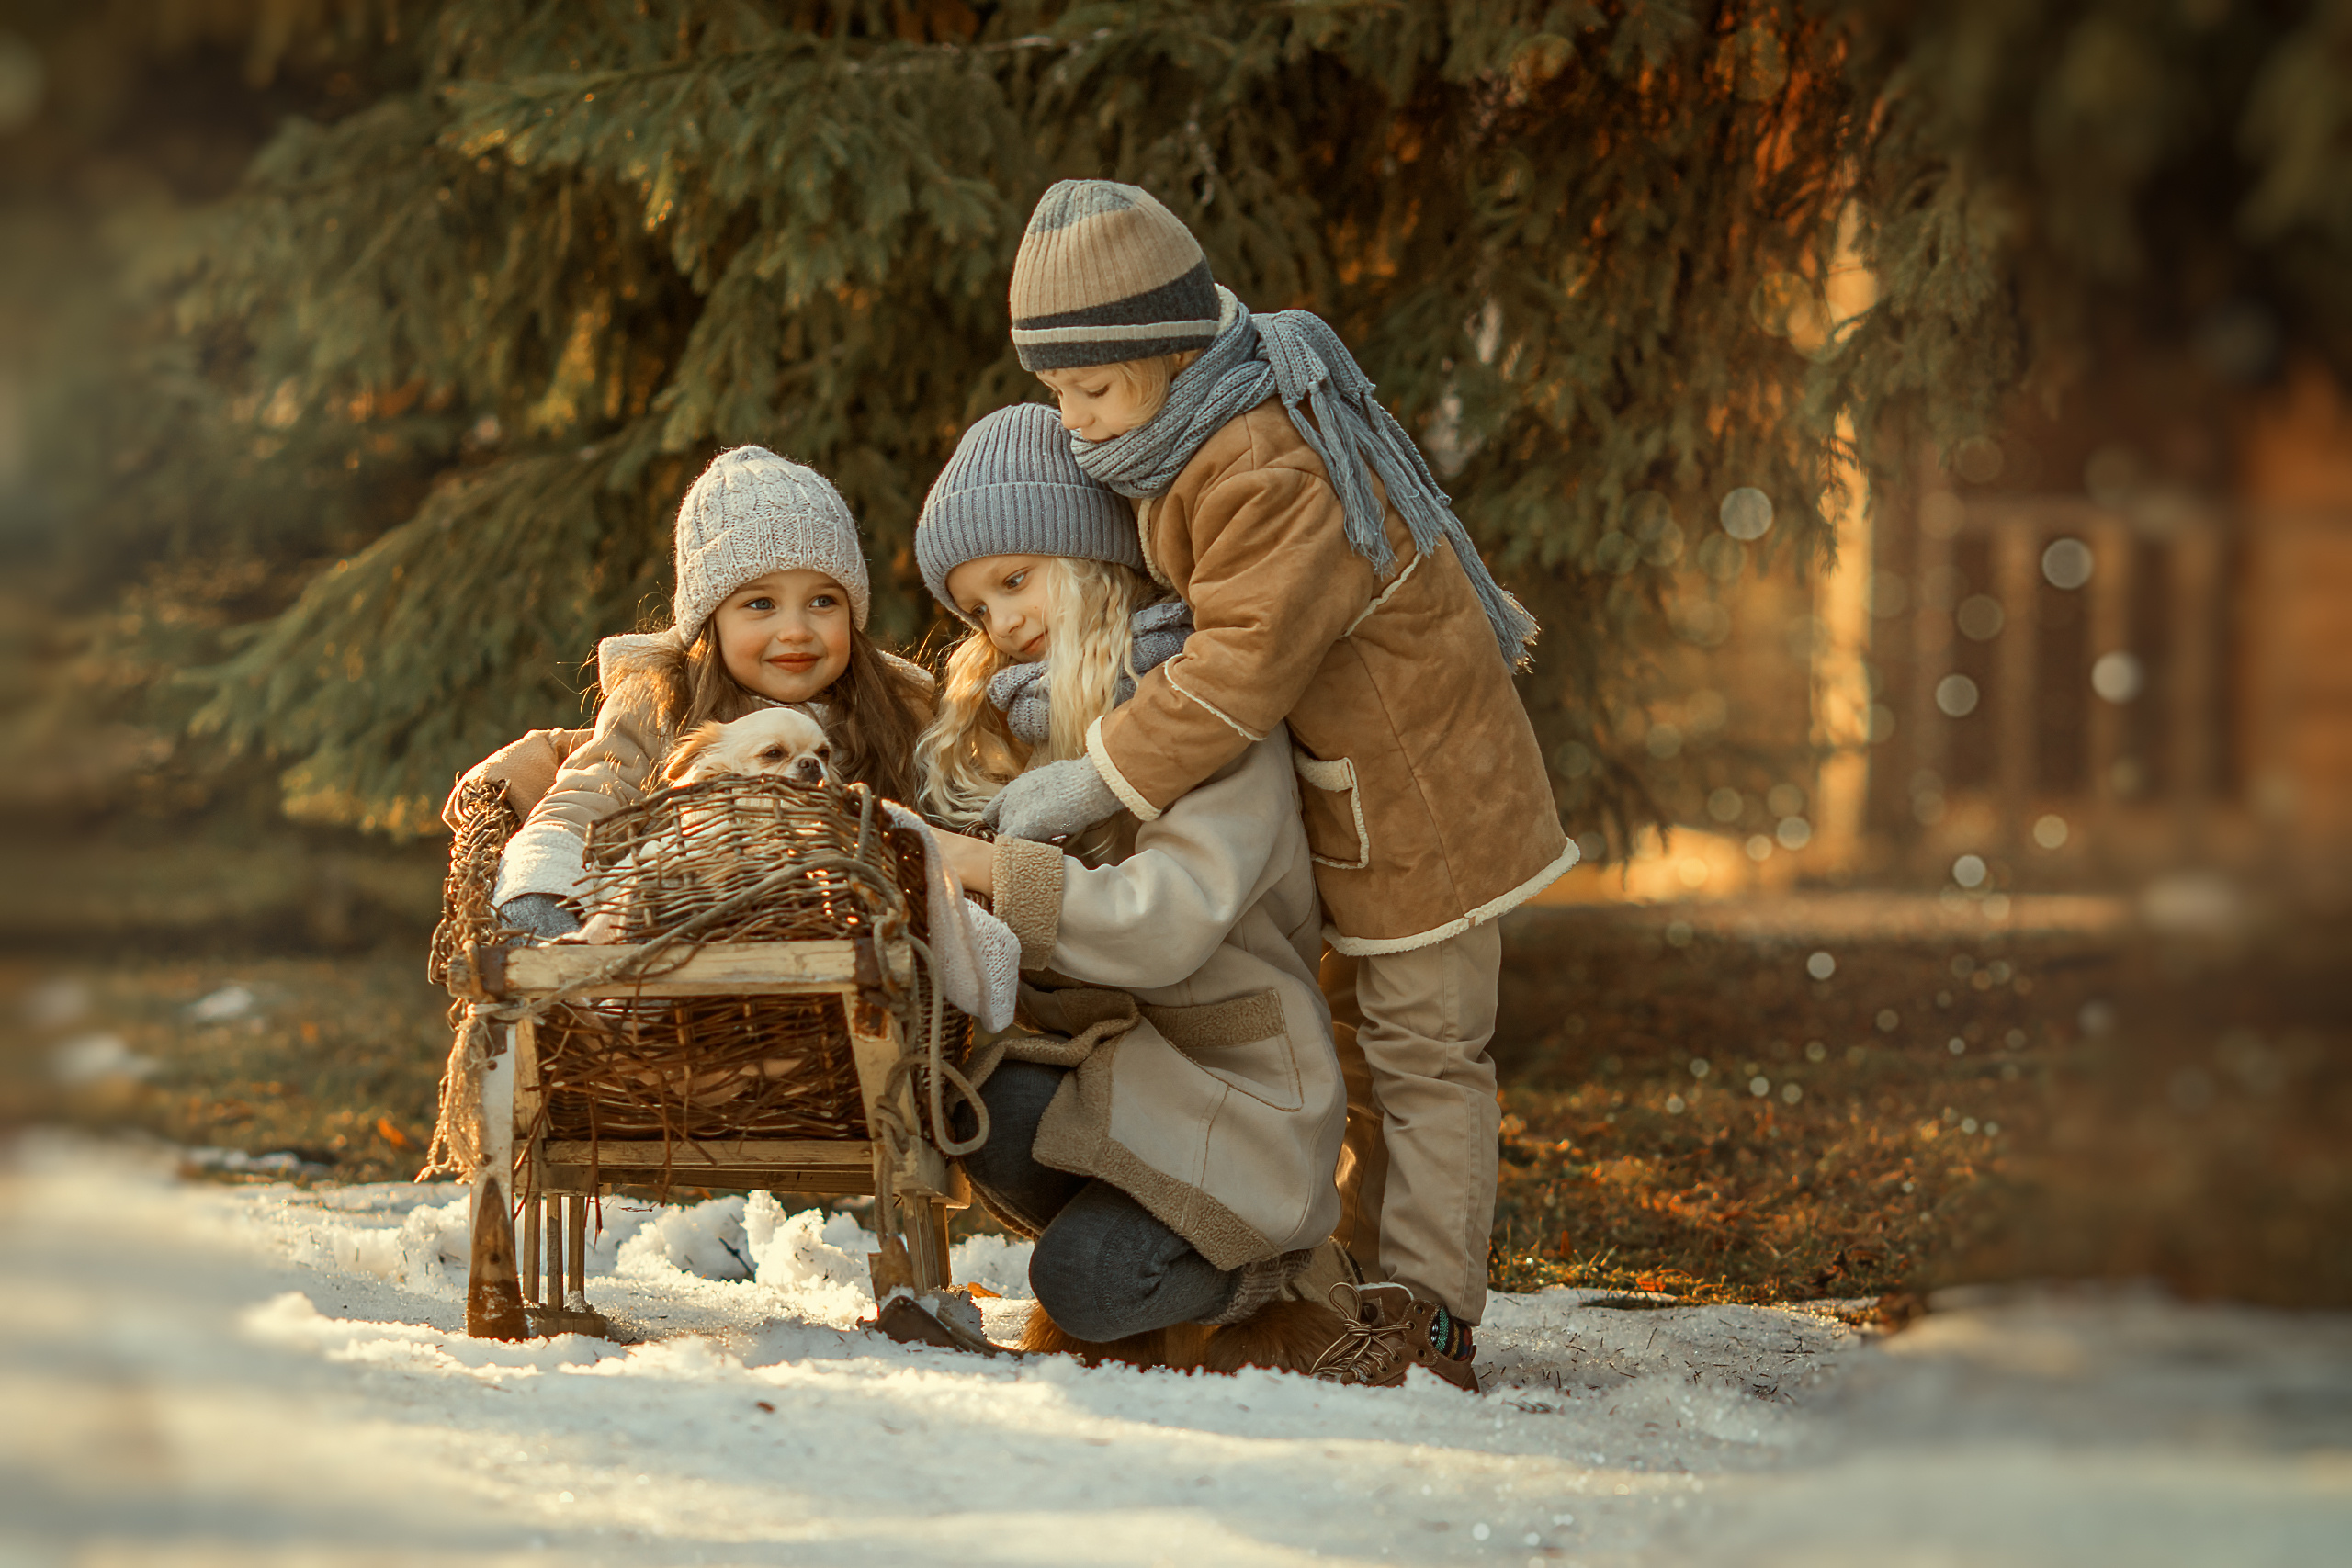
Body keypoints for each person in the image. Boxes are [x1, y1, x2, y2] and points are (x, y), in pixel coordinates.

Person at [978, 179, 1579, 1388]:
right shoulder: (1199, 425)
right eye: (1060, 396)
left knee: (1426, 1053)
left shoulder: (1254, 459)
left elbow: (1242, 664)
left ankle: (1432, 1316)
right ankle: (1357, 1282)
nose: (1079, 422)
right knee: (1369, 1044)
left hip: (1428, 797)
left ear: (1169, 351)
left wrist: (1090, 777)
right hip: (1370, 794)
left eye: (1090, 391)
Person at [915, 403, 1351, 1361]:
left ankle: (1277, 1269)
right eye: (978, 608)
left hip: (1238, 1086)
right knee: (962, 1100)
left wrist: (993, 871)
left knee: (1079, 1289)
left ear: (1086, 549)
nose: (1004, 622)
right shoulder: (1033, 727)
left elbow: (1165, 924)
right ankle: (1131, 1248)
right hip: (1129, 1073)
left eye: (1016, 579)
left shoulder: (1201, 716)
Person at [471, 446, 932, 934]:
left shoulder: (896, 713)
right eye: (760, 604)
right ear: (710, 623)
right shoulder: (660, 701)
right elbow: (585, 802)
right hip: (676, 945)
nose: (796, 629)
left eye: (822, 600)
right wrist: (542, 897)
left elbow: (941, 825)